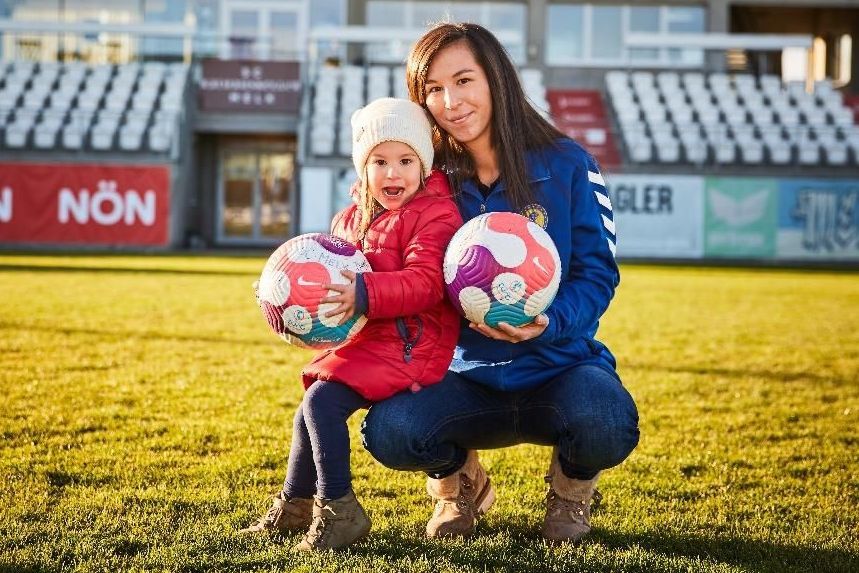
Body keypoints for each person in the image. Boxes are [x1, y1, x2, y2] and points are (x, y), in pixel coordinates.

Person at [360, 23, 640, 544]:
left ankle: (572, 491)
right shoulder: (427, 180)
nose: (450, 101)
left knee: (607, 421)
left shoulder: (568, 164)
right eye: (433, 90)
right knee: (390, 431)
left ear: (496, 80)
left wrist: (549, 324)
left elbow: (598, 271)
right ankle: (458, 481)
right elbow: (386, 255)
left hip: (558, 365)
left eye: (464, 80)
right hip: (460, 374)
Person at [242, 97, 463, 551]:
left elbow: (426, 284)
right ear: (363, 167)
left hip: (411, 344)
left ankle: (338, 508)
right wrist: (280, 291)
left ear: (423, 165)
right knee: (311, 406)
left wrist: (365, 292)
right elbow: (322, 271)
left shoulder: (435, 214)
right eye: (379, 161)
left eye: (405, 160)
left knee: (322, 402)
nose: (392, 174)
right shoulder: (350, 219)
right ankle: (295, 505)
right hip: (370, 340)